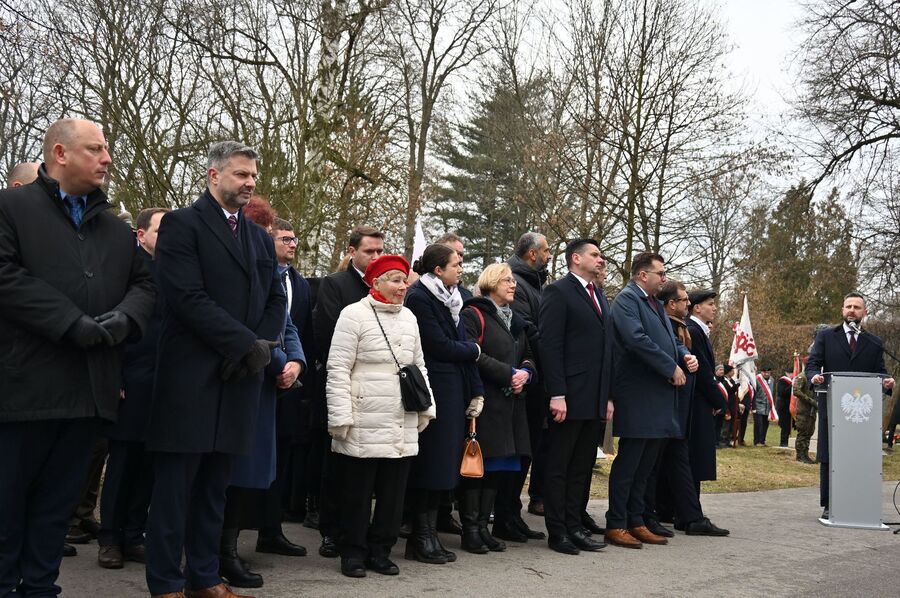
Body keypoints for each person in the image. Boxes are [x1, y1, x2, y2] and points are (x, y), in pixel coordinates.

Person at [0, 119, 155, 596]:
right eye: (96, 149)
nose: (107, 157)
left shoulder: (112, 227)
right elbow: (5, 275)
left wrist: (124, 321)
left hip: (88, 393)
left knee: (56, 509)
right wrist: (72, 323)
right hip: (22, 392)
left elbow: (147, 284)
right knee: (7, 507)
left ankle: (42, 587)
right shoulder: (11, 207)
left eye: (106, 149)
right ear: (61, 153)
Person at [144, 141, 286, 598]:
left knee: (214, 489)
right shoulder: (183, 225)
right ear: (213, 176)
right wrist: (245, 345)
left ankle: (204, 577)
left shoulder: (259, 237)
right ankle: (166, 581)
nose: (249, 183)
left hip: (238, 380)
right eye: (240, 174)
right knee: (175, 489)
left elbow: (274, 299)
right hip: (191, 378)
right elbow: (186, 299)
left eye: (252, 176)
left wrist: (258, 345)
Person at [326, 255, 435, 577]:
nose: (402, 286)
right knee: (357, 492)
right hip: (363, 416)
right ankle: (353, 552)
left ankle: (381, 550)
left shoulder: (410, 318)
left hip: (400, 416)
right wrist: (340, 416)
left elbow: (419, 366)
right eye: (395, 280)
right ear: (376, 283)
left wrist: (427, 407)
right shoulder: (353, 315)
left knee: (393, 492)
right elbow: (338, 368)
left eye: (404, 280)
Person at [218, 197, 307, 589]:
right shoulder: (230, 270)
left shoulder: (275, 275)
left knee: (248, 475)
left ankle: (228, 548)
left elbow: (284, 325)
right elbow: (247, 331)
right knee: (225, 474)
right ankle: (218, 551)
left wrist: (295, 362)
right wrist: (278, 362)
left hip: (265, 387)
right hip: (236, 380)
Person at [605, 252, 697, 549]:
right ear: (643, 275)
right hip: (638, 393)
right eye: (661, 273)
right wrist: (669, 366)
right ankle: (616, 523)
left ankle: (636, 520)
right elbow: (636, 339)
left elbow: (669, 339)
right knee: (630, 462)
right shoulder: (627, 300)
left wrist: (683, 355)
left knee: (646, 465)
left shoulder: (655, 303)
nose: (664, 278)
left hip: (659, 395)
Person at [97, 208, 169, 570]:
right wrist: (118, 378)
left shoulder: (173, 270)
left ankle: (133, 533)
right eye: (161, 229)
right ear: (140, 235)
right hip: (130, 380)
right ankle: (109, 537)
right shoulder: (126, 269)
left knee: (148, 464)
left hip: (163, 383)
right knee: (123, 462)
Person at [405, 243, 484, 563]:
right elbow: (438, 345)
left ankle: (430, 534)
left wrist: (470, 362)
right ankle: (419, 536)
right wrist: (473, 350)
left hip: (453, 388)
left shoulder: (454, 299)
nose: (462, 268)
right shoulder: (421, 297)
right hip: (434, 385)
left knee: (444, 463)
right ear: (438, 270)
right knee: (430, 463)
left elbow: (460, 341)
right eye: (457, 263)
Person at [311, 225, 384, 558]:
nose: (375, 257)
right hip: (343, 385)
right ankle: (332, 529)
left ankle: (359, 528)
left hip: (379, 393)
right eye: (369, 251)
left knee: (368, 466)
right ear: (352, 251)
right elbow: (326, 335)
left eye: (380, 251)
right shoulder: (335, 285)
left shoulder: (386, 287)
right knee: (337, 460)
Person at [539, 239, 613, 555]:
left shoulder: (599, 296)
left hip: (593, 397)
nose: (601, 260)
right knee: (559, 466)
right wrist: (557, 393)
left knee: (582, 467)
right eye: (595, 255)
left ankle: (574, 526)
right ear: (576, 258)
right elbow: (550, 346)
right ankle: (558, 532)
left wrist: (607, 397)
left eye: (602, 255)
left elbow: (606, 349)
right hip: (567, 396)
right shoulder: (559, 291)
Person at [459, 263, 537, 554]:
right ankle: (471, 530)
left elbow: (529, 355)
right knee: (478, 467)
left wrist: (525, 374)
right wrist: (508, 373)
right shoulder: (473, 314)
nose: (513, 285)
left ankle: (484, 528)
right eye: (507, 280)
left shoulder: (515, 319)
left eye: (514, 281)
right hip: (485, 403)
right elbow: (473, 354)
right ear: (491, 282)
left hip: (511, 405)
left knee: (498, 469)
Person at [806, 292, 895, 519]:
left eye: (857, 307)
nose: (852, 310)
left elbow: (880, 372)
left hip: (862, 416)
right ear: (842, 310)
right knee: (831, 455)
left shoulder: (874, 342)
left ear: (865, 312)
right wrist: (815, 376)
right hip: (833, 406)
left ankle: (858, 500)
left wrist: (886, 382)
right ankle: (830, 504)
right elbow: (813, 364)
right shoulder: (826, 337)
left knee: (858, 455)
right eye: (848, 306)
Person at [499, 232, 552, 537]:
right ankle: (505, 514)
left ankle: (512, 513)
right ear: (532, 254)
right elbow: (526, 328)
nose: (548, 255)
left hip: (534, 375)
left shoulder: (535, 283)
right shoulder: (516, 282)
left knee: (527, 448)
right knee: (518, 448)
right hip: (523, 379)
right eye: (546, 251)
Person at [682, 289, 730, 535]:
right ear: (696, 307)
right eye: (710, 304)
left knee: (695, 458)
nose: (714, 308)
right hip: (696, 403)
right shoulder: (693, 330)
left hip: (700, 401)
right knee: (694, 458)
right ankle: (691, 515)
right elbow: (702, 372)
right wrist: (720, 400)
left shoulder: (700, 331)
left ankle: (689, 511)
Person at [792, 365, 817, 464]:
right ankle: (800, 455)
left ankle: (805, 454)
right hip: (803, 410)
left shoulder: (814, 378)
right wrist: (810, 400)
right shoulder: (802, 377)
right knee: (803, 432)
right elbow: (796, 391)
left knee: (809, 432)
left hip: (811, 410)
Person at [752, 367, 773, 446]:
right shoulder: (757, 379)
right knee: (758, 424)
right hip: (758, 405)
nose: (766, 374)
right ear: (761, 372)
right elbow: (754, 393)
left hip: (767, 406)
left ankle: (762, 440)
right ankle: (757, 441)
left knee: (765, 424)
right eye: (765, 372)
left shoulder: (772, 380)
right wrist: (753, 406)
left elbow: (772, 393)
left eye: (768, 372)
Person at [775, 368, 794, 448]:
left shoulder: (791, 381)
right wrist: (792, 386)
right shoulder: (782, 381)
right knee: (785, 425)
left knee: (789, 426)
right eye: (791, 373)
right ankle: (783, 442)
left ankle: (788, 441)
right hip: (783, 407)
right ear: (787, 373)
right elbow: (783, 392)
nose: (792, 375)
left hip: (790, 406)